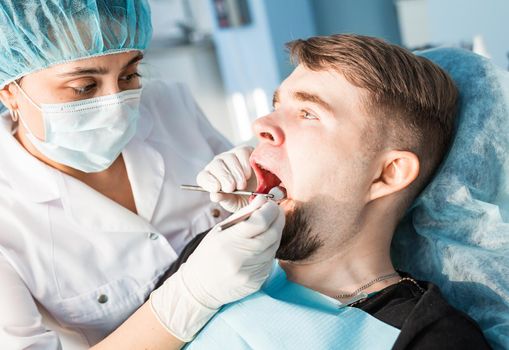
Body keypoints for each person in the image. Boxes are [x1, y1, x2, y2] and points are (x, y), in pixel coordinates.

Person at [0, 1, 284, 349]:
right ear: (10, 90)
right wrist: (190, 296)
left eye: (129, 75)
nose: (116, 102)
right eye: (85, 87)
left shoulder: (168, 104)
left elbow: (267, 209)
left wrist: (259, 181)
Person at [186, 34, 492, 348]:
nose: (261, 124)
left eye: (308, 113)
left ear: (387, 174)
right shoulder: (212, 257)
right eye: (276, 106)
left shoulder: (433, 339)